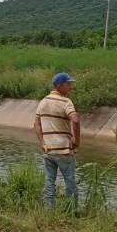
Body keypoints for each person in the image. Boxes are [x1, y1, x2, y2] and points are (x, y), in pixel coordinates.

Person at [34, 72, 80, 210]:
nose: (70, 87)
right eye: (68, 84)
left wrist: (43, 142)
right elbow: (76, 120)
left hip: (48, 150)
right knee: (70, 180)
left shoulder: (43, 101)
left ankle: (49, 210)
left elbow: (36, 123)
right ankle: (71, 211)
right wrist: (76, 141)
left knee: (49, 181)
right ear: (60, 85)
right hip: (64, 149)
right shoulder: (66, 102)